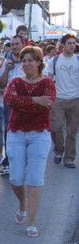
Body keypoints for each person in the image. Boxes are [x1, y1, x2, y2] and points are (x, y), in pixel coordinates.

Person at [4, 46, 56, 237]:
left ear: (39, 62)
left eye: (30, 60)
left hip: (39, 134)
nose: (26, 64)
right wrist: (35, 100)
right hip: (17, 132)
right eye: (23, 60)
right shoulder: (16, 82)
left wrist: (24, 102)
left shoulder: (48, 83)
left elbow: (47, 105)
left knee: (35, 178)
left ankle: (32, 221)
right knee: (16, 178)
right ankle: (22, 203)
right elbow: (9, 100)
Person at [47, 33, 79, 168]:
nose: (72, 46)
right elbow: (49, 80)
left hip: (75, 98)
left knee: (72, 130)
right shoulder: (54, 61)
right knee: (56, 127)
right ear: (63, 45)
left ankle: (69, 158)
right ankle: (59, 150)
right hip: (58, 98)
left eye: (74, 43)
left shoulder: (78, 60)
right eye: (69, 43)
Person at [0, 35, 24, 175]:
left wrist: (23, 63)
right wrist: (7, 69)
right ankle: (8, 161)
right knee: (9, 130)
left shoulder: (29, 61)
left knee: (25, 131)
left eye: (17, 44)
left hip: (26, 102)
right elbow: (0, 84)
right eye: (12, 44)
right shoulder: (7, 61)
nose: (14, 46)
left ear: (23, 45)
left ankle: (23, 162)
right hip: (10, 102)